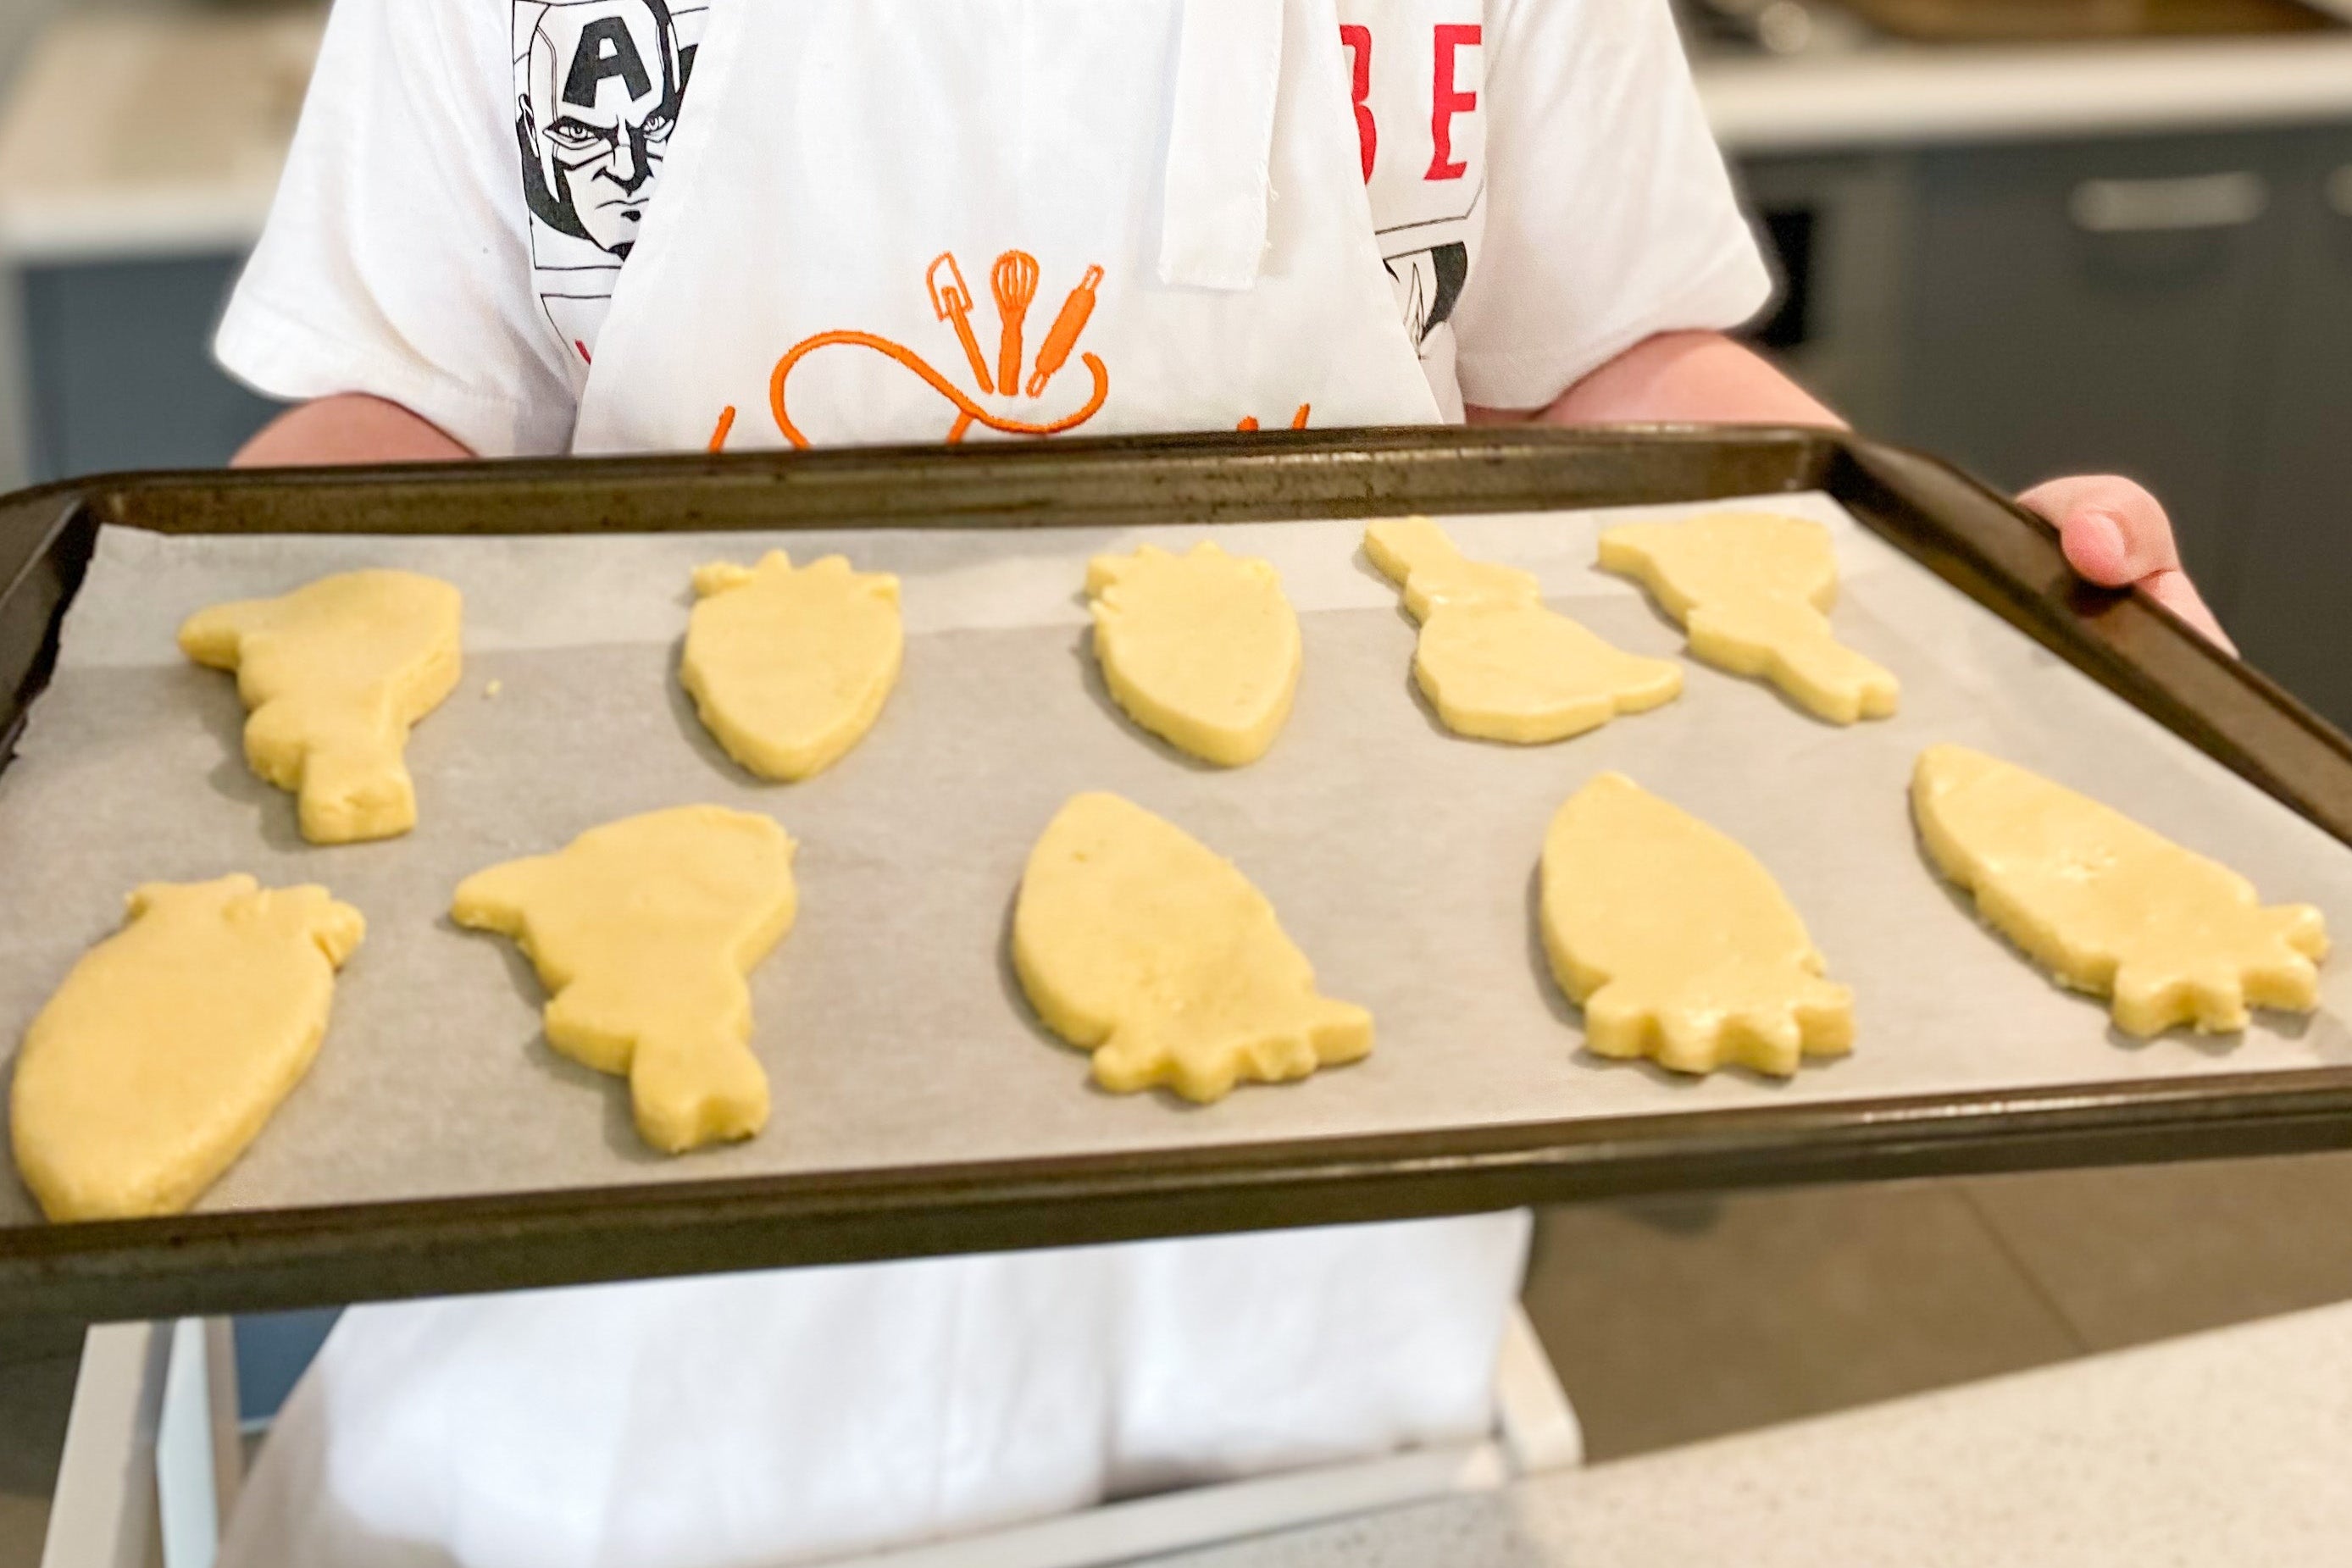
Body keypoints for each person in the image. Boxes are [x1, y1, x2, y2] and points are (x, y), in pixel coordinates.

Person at [215, 1, 2231, 1565]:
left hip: (1297, 1309)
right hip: (621, 1375)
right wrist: (177, 668)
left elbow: (1598, 368)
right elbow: (414, 410)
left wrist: (1947, 587)